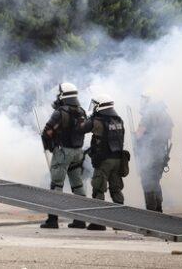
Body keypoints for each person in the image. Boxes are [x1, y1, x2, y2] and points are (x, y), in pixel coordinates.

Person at [39, 83, 88, 229]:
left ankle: (52, 220)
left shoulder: (60, 112)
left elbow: (47, 130)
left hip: (63, 152)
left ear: (62, 95)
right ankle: (80, 220)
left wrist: (49, 142)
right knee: (78, 185)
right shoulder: (82, 111)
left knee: (56, 185)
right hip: (78, 152)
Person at [79, 93, 128, 230]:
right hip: (118, 160)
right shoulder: (118, 120)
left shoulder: (97, 121)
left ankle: (98, 222)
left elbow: (81, 128)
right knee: (116, 190)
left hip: (104, 161)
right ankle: (121, 222)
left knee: (98, 189)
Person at [135, 92, 173, 212]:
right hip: (161, 153)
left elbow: (139, 134)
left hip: (148, 154)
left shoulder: (148, 115)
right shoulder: (166, 116)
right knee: (156, 181)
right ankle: (158, 208)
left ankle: (151, 212)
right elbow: (169, 135)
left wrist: (134, 138)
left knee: (147, 182)